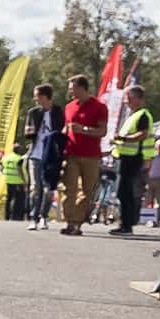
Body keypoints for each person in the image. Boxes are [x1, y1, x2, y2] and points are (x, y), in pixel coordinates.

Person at [57, 78, 106, 235]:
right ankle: (69, 222)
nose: (70, 91)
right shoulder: (69, 107)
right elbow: (66, 128)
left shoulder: (99, 107)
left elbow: (102, 131)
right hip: (71, 154)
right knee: (69, 189)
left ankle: (77, 222)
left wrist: (84, 129)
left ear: (82, 88)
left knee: (87, 191)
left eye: (72, 88)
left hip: (91, 156)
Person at [107, 99, 153, 237]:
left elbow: (142, 134)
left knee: (126, 192)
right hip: (126, 157)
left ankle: (127, 225)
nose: (126, 101)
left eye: (129, 98)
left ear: (138, 99)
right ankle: (125, 224)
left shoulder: (142, 115)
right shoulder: (133, 115)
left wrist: (123, 138)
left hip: (133, 158)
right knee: (123, 192)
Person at [29, 94, 67, 228]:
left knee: (49, 189)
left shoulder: (58, 112)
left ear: (45, 97)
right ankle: (33, 218)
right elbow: (28, 131)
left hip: (52, 156)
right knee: (36, 188)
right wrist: (29, 132)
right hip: (35, 154)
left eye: (37, 96)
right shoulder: (33, 112)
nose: (35, 99)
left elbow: (63, 132)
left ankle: (43, 216)